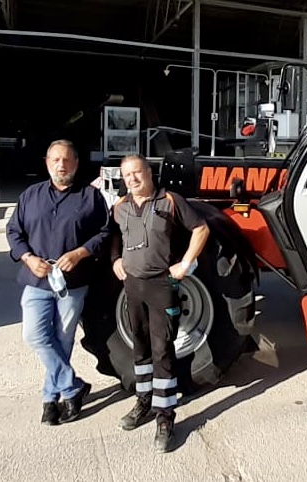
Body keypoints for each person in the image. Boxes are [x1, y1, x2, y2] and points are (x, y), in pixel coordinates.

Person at [109, 154, 209, 453]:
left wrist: (186, 263)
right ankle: (144, 403)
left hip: (161, 286)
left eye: (136, 173)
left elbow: (201, 229)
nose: (132, 180)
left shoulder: (170, 201)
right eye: (127, 176)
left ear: (149, 172)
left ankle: (165, 417)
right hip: (132, 287)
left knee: (161, 350)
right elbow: (113, 235)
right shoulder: (120, 206)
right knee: (139, 348)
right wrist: (115, 259)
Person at [6, 139, 110, 426]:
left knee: (63, 340)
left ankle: (50, 399)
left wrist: (79, 253)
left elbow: (104, 233)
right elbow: (14, 232)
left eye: (66, 160)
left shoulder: (91, 197)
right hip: (36, 281)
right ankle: (73, 386)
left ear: (76, 164)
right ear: (46, 162)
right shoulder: (31, 196)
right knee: (34, 336)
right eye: (55, 160)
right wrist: (27, 257)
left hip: (72, 282)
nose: (61, 165)